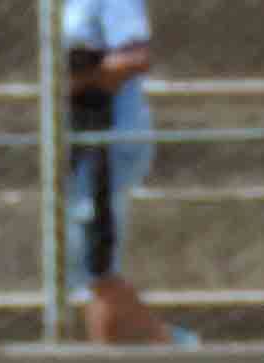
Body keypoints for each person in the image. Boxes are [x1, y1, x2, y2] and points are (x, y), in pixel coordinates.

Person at [64, 0, 186, 345]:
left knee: (94, 266)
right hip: (72, 141)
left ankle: (174, 350)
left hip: (108, 139)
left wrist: (77, 78)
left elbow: (135, 57)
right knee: (84, 271)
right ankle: (149, 354)